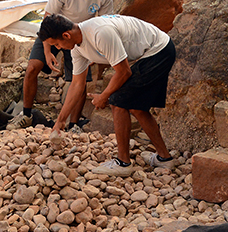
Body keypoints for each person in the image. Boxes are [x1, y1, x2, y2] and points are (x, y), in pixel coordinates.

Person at [38, 14, 176, 177]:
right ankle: (164, 158)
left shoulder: (99, 33)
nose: (59, 48)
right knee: (136, 107)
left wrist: (104, 95)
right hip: (149, 53)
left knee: (118, 102)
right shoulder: (77, 48)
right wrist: (61, 120)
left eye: (57, 44)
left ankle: (123, 163)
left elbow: (124, 72)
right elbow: (76, 84)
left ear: (66, 35)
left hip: (159, 50)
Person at [6, 0, 112, 131]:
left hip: (80, 37)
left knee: (80, 81)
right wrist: (48, 51)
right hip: (54, 31)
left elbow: (105, 23)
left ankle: (74, 124)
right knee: (33, 67)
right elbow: (47, 20)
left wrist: (95, 52)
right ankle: (26, 115)